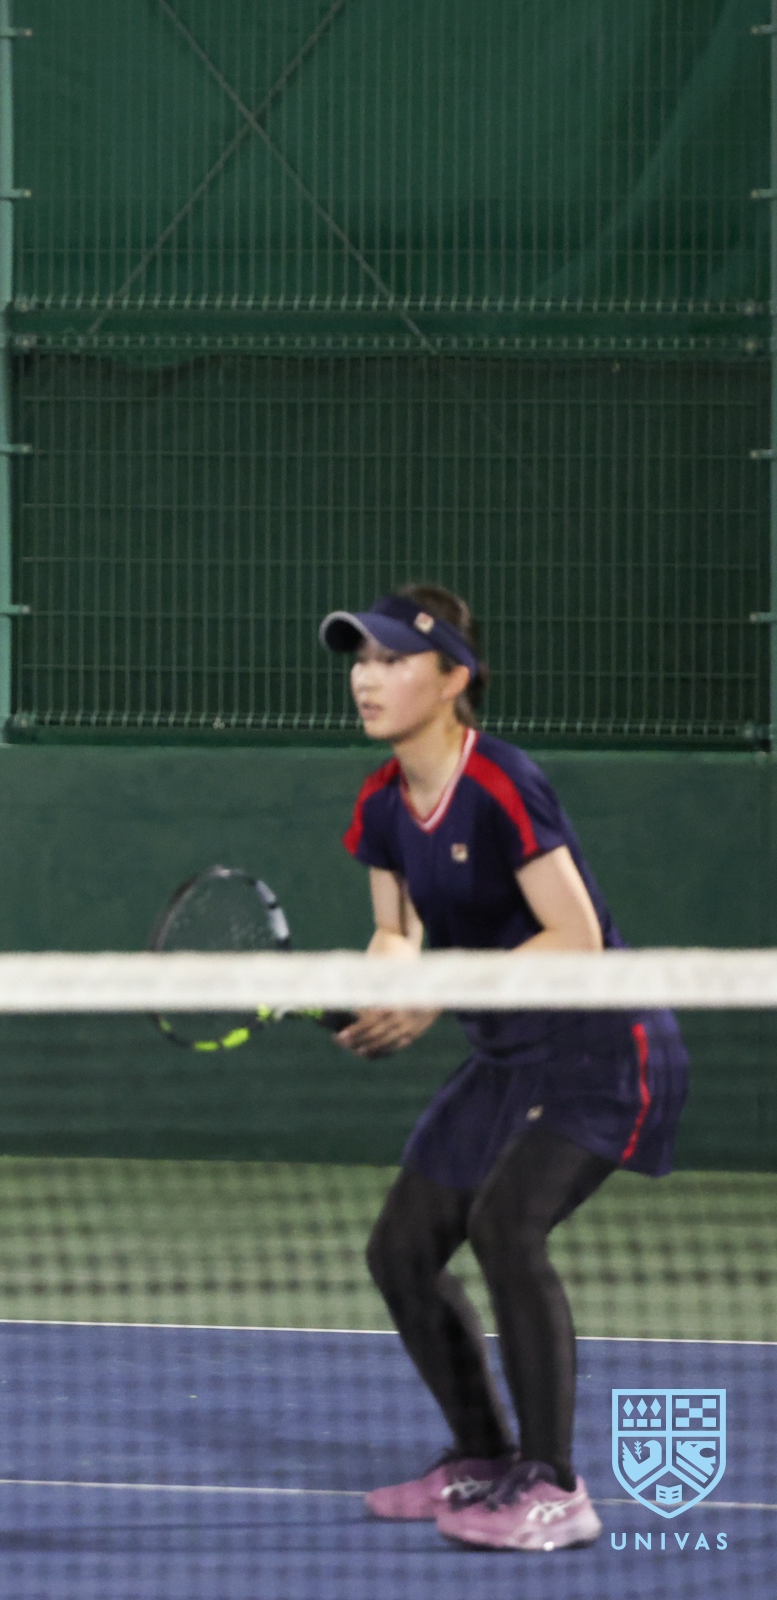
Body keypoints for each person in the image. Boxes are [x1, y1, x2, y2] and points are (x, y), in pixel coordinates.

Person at [323, 584, 685, 1553]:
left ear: (455, 678)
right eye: (361, 659)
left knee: (504, 1225)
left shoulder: (500, 782)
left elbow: (575, 936)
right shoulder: (382, 800)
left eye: (394, 659)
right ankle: (483, 1456)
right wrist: (383, 989)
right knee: (401, 1251)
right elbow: (396, 931)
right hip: (506, 1055)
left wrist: (435, 993)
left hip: (601, 1048)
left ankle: (555, 1486)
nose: (367, 678)